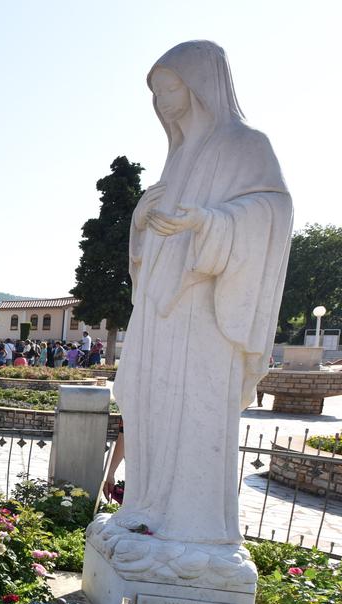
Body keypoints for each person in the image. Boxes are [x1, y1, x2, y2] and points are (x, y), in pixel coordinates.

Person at [112, 40, 292, 546]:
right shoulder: (177, 157)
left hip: (205, 312)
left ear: (200, 85)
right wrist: (140, 222)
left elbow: (273, 213)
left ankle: (193, 527)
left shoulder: (245, 145)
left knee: (192, 410)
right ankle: (146, 505)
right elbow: (152, 245)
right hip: (160, 312)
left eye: (170, 87)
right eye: (156, 92)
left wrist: (210, 223)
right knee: (149, 403)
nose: (162, 100)